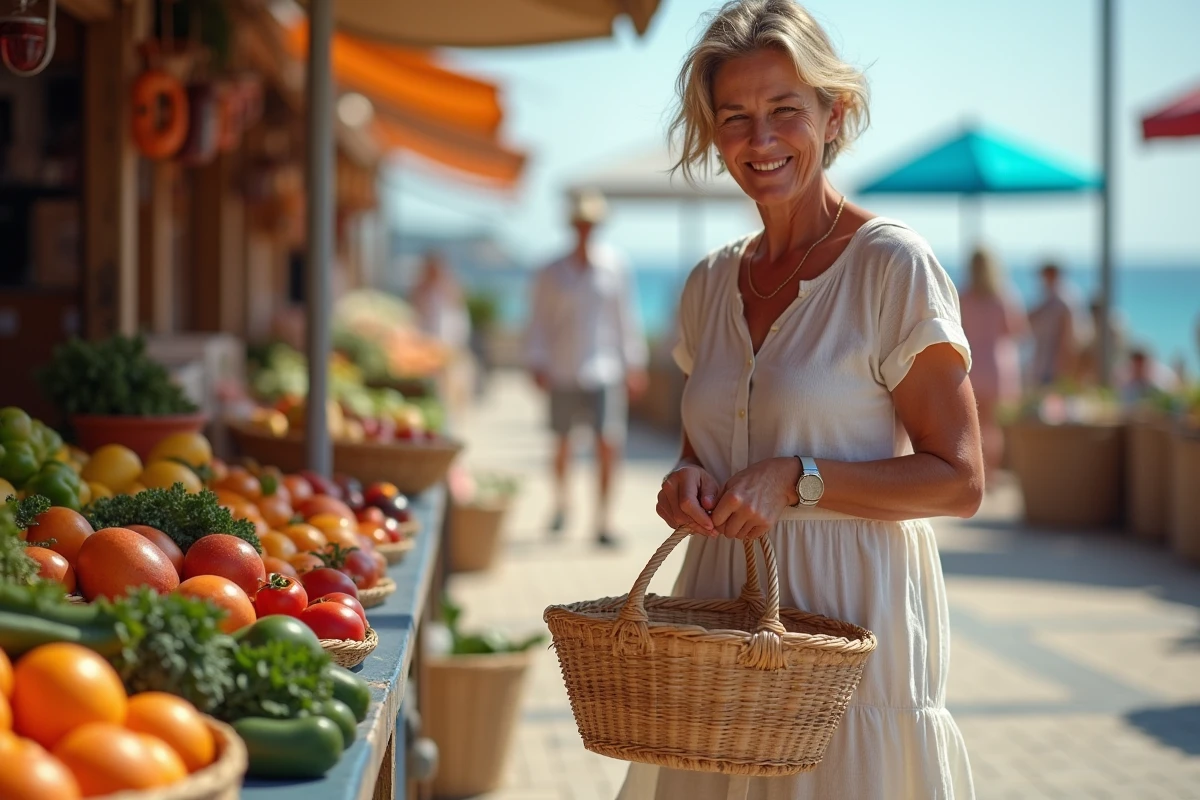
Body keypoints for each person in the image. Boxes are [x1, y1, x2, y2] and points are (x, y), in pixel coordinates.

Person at [620, 2, 983, 798]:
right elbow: (708, 442)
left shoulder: (892, 267)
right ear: (714, 135)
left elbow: (959, 481)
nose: (761, 139)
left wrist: (796, 478)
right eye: (736, 117)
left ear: (833, 112)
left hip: (851, 624)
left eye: (785, 110)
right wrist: (687, 479)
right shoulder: (709, 283)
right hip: (721, 615)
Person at [525, 190, 648, 548]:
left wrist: (634, 363)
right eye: (580, 224)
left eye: (590, 224)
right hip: (563, 368)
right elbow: (538, 320)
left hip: (605, 369)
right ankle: (562, 502)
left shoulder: (615, 265)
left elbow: (627, 317)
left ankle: (604, 519)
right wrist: (537, 359)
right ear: (572, 226)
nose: (585, 230)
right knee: (562, 442)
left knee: (608, 443)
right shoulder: (551, 270)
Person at [959, 247, 1027, 477]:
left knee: (973, 425)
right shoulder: (1004, 295)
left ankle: (975, 473)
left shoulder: (964, 295)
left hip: (970, 363)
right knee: (992, 426)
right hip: (997, 364)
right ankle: (992, 473)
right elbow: (1016, 330)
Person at [1027, 262, 1085, 387]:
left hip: (1055, 363)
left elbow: (1068, 335)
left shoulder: (1062, 299)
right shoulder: (1050, 297)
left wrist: (1066, 362)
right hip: (1045, 361)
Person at [408, 250, 470, 353]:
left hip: (447, 336)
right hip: (429, 336)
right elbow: (416, 310)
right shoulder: (421, 287)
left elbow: (456, 310)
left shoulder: (448, 285)